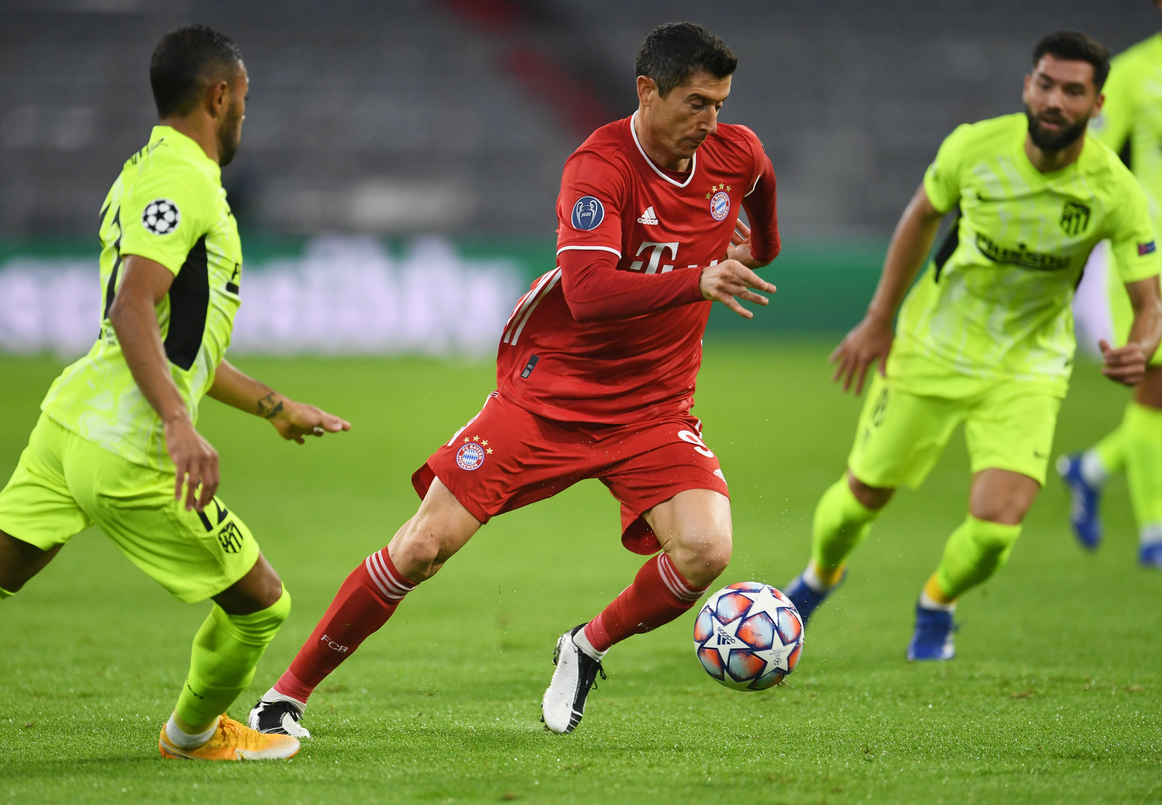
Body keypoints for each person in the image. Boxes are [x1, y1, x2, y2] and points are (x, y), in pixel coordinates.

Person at [247, 21, 779, 737]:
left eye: (719, 103)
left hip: (653, 410)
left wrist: (758, 248)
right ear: (647, 91)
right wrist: (698, 279)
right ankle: (285, 697)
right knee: (422, 547)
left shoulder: (735, 152)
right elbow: (587, 293)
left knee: (706, 550)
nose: (710, 120)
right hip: (549, 398)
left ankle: (585, 646)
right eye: (696, 103)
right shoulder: (600, 168)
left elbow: (762, 203)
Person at [0, 24, 350, 760]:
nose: (246, 112)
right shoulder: (184, 179)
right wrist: (177, 424)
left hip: (70, 422)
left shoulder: (143, 168)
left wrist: (276, 407)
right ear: (219, 96)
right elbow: (132, 305)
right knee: (262, 603)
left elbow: (175, 343)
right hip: (128, 445)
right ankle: (192, 735)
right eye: (245, 98)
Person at [781, 31, 1162, 661]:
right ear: (1027, 86)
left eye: (1073, 91)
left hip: (1027, 368)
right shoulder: (973, 147)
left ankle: (938, 602)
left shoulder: (1115, 191)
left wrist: (1141, 347)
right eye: (1045, 84)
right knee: (860, 500)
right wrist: (878, 319)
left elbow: (1149, 304)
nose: (1054, 101)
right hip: (931, 348)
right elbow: (920, 217)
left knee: (994, 532)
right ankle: (820, 577)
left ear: (1097, 105)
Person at [1058, 0, 1162, 568]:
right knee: (1156, 384)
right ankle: (1156, 535)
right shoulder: (1135, 73)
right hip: (1147, 255)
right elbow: (1091, 160)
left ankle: (1090, 470)